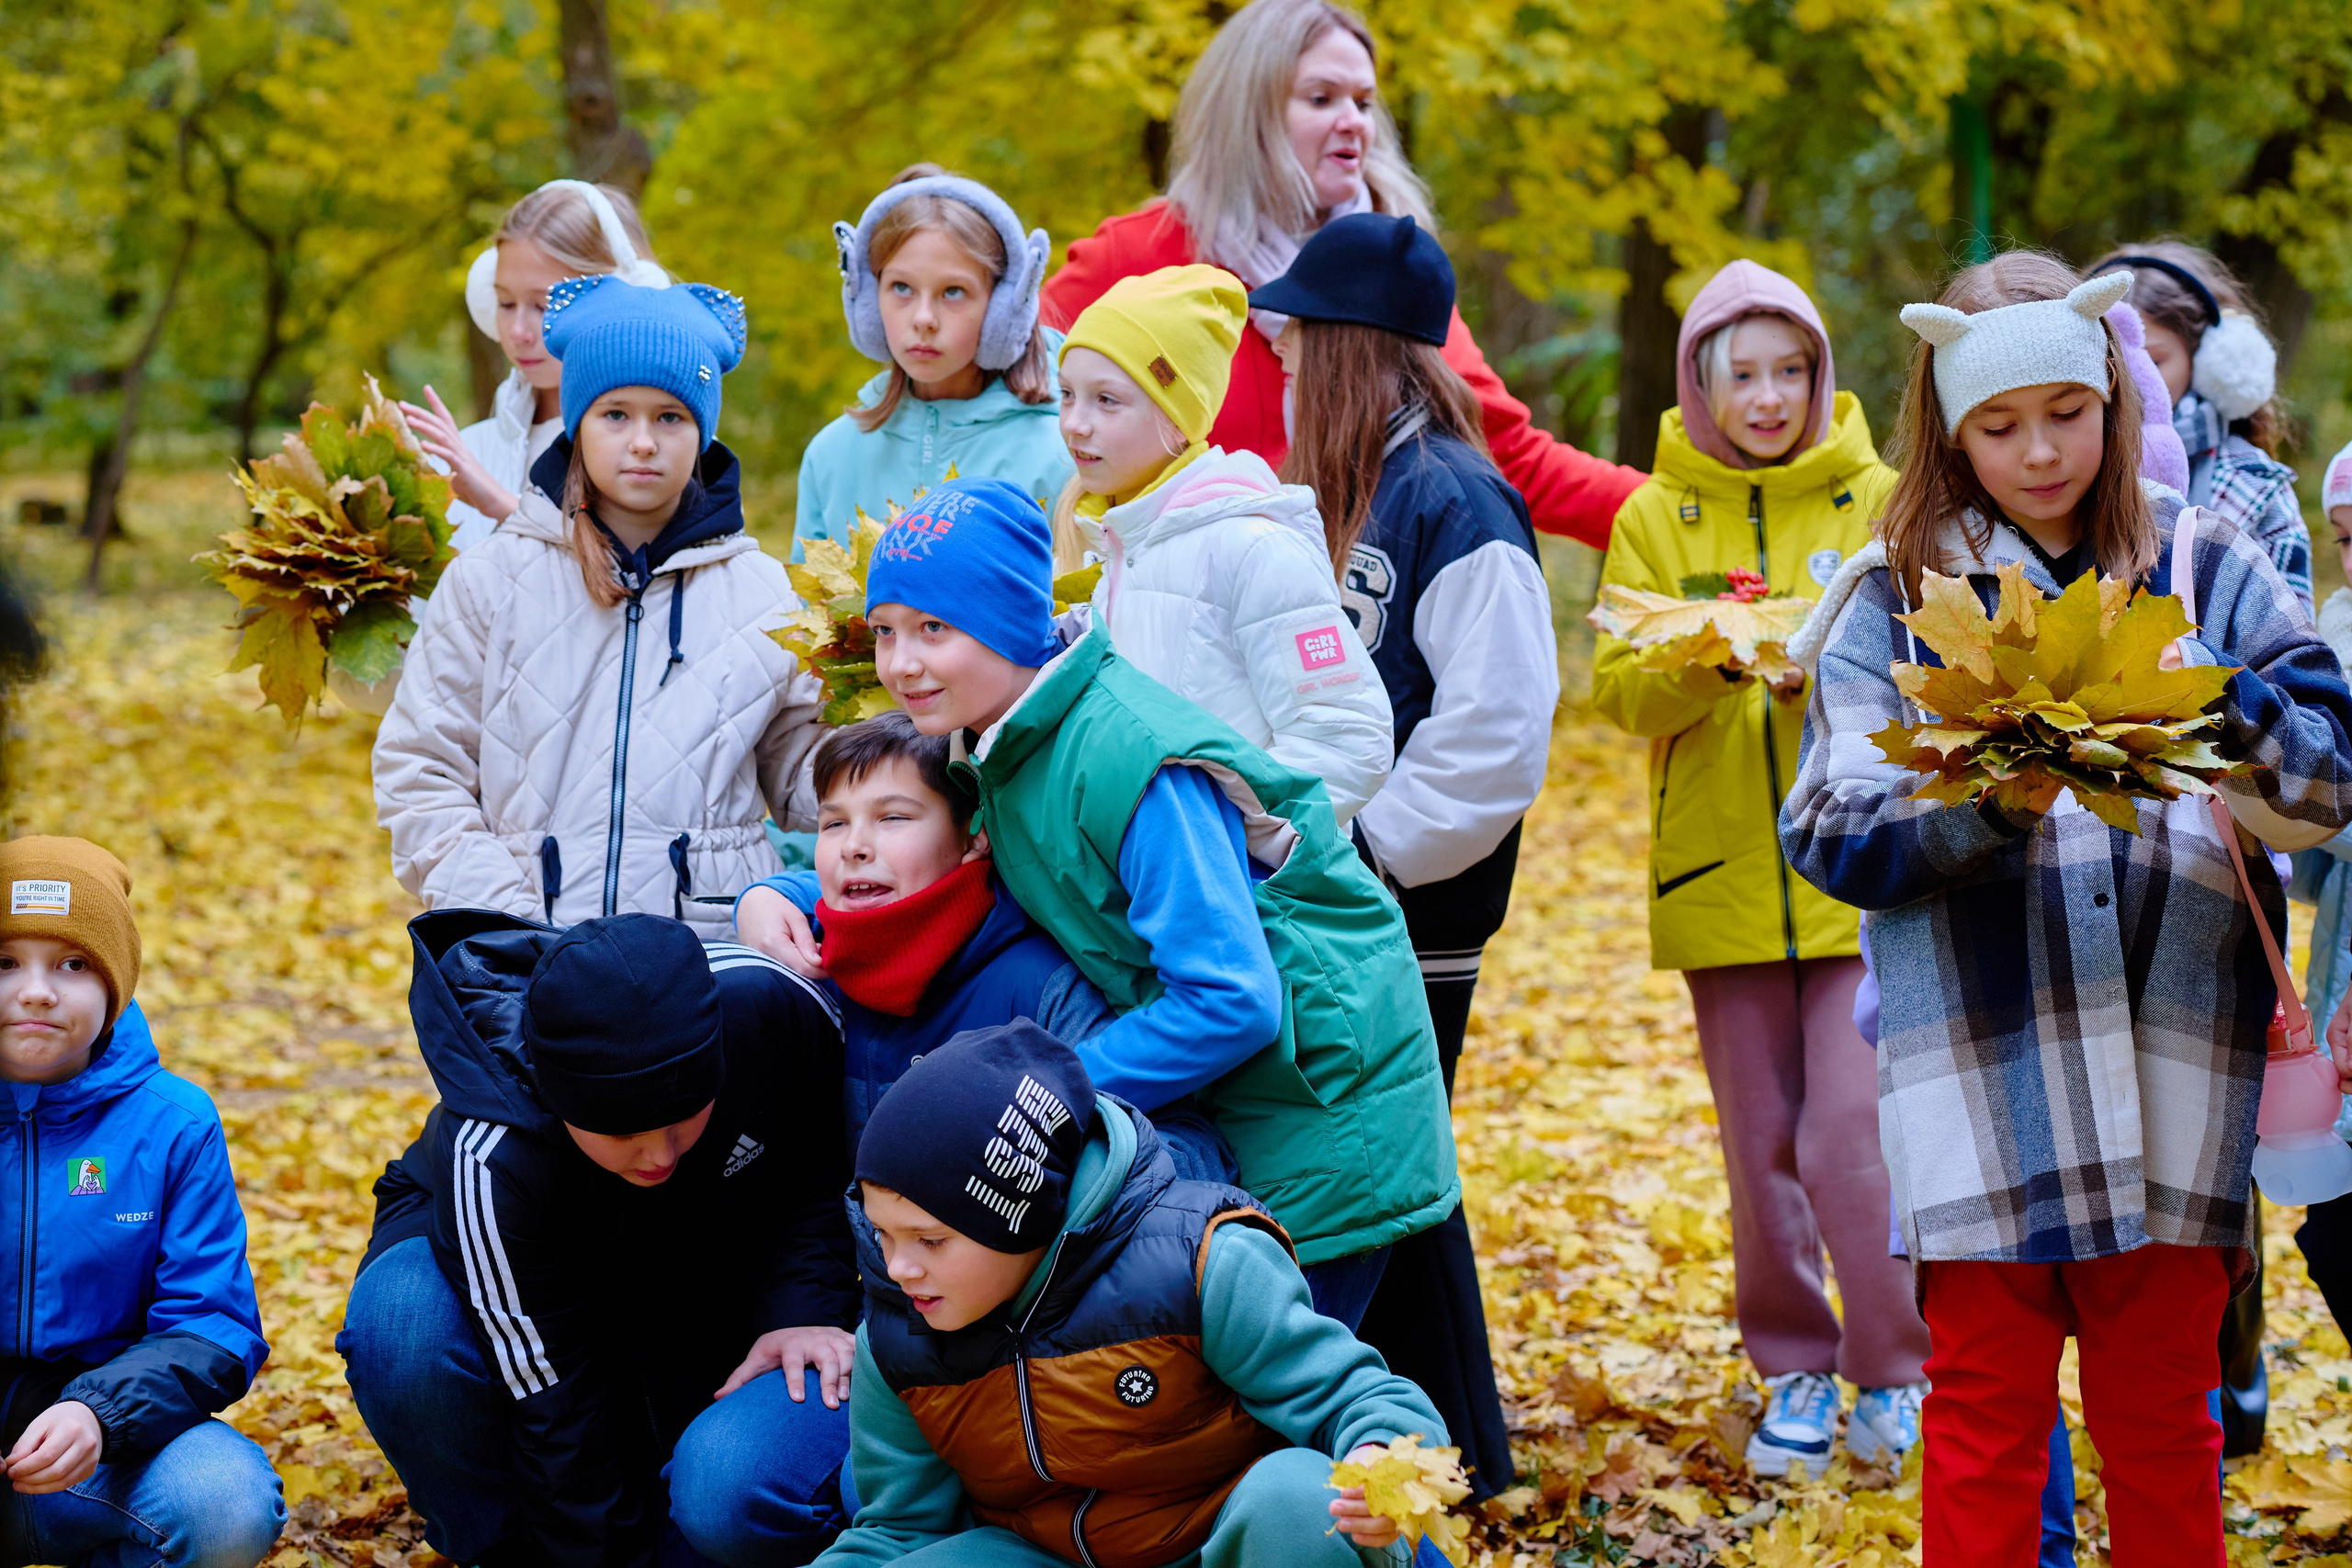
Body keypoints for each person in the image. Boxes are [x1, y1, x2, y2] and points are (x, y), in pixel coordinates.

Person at [1779, 253, 2352, 1565]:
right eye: (1998, 425)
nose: (2040, 451)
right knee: (1984, 1423)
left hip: (2177, 1073)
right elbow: (1829, 825)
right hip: (1982, 1080)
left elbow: (2335, 763)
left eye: (2068, 411)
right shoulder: (1891, 602)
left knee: (2166, 1421)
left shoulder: (2202, 560)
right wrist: (1989, 800)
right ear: (1949, 428)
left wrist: (2231, 705)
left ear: (2115, 392)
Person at [758, 474, 1456, 1325]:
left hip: (1315, 1113)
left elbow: (1233, 999)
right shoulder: (1000, 739)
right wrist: (784, 892)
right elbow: (936, 864)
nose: (901, 662)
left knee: (1279, 1407)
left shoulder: (1126, 756)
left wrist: (1043, 1092)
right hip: (1232, 1100)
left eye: (934, 628)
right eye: (886, 631)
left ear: (1013, 620)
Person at [1590, 258, 1926, 1477]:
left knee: (1853, 1138)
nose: (1770, 396)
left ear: (1822, 373)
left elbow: (1923, 662)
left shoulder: (1881, 501)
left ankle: (1894, 1371)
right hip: (1718, 882)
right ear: (1701, 381)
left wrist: (1819, 668)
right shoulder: (1650, 514)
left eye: (1791, 370)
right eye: (1745, 374)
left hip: (1858, 881)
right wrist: (1715, 659)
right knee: (1760, 1148)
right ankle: (1792, 1367)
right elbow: (1620, 691)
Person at [1246, 211, 1553, 1497]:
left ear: (1363, 350)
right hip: (1349, 894)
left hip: (1406, 902)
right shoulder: (1341, 490)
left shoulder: (1457, 499)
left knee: (1382, 1162)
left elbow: (1495, 726)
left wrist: (1362, 855)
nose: (1289, 369)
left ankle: (1414, 1448)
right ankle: (1447, 1447)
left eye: (1305, 345)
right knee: (1398, 1158)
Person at [814, 1021, 1449, 1568]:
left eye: (930, 1239)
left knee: (1295, 1499)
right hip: (1046, 1551)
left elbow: (1365, 1398)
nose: (898, 1268)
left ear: (1023, 1216)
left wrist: (1382, 1474)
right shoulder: (898, 1335)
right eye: (883, 1234)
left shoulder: (1200, 1263)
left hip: (1219, 1541)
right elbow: (900, 1528)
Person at [339, 911, 859, 1568]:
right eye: (623, 1133)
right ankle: (504, 1549)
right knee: (406, 1324)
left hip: (702, 1244)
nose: (659, 1153)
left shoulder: (772, 1008)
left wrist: (803, 1310)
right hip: (526, 1266)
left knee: (695, 1511)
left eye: (684, 1117)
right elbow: (557, 1398)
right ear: (560, 1101)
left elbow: (819, 1172)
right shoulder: (496, 1157)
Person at [1040, 0, 1643, 549]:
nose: (1354, 120)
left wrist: (1688, 517)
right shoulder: (1136, 254)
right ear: (1249, 115)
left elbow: (1509, 456)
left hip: (1351, 635)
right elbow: (1011, 398)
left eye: (1363, 101)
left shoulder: (1392, 274)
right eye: (1322, 98)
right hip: (1171, 635)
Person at [373, 275, 826, 935]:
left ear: (701, 430)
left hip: (707, 966)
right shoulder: (491, 581)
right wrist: (508, 920)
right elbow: (420, 769)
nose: (643, 441)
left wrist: (930, 741)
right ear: (577, 423)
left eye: (669, 416)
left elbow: (811, 774)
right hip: (527, 960)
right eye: (616, 414)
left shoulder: (765, 598)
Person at [0, 838, 284, 1568]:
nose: (36, 990)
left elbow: (211, 1323)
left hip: (94, 1456)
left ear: (116, 985)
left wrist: (99, 1410)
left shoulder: (175, 1123)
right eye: (5, 962)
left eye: (72, 963)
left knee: (222, 1502)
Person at [1053, 264, 1392, 825]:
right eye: (1067, 395)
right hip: (1115, 903)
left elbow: (1348, 740)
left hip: (1236, 897)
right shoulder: (1088, 544)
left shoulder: (1255, 548)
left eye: (1106, 401)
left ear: (1177, 417)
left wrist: (1218, 845)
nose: (1074, 424)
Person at [732, 711, 1116, 1148]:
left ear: (975, 834)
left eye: (893, 818)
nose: (854, 847)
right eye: (834, 824)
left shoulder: (1046, 988)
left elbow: (1159, 1142)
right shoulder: (804, 965)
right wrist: (760, 896)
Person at [797, 165, 1070, 549]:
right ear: (868, 302)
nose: (924, 318)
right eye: (901, 287)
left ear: (1003, 309)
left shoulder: (1065, 454)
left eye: (953, 292)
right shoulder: (830, 458)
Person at [400, 179, 671, 554]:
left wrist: (503, 508)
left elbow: (643, 590)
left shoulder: (660, 454)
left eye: (545, 306)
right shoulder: (469, 451)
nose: (518, 332)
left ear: (622, 304)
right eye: (505, 304)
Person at [2086, 242, 2312, 612]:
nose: (2129, 383)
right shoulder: (2054, 474)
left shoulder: (2255, 489)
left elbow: (2294, 656)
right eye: (2111, 363)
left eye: (2154, 360)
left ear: (2209, 362)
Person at [2292, 441, 2352, 1335]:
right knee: (2333, 1228)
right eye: (2344, 535)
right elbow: (2308, 864)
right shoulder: (2335, 635)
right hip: (2340, 977)